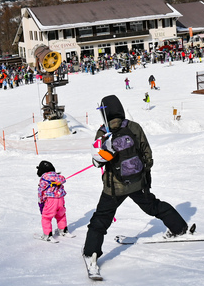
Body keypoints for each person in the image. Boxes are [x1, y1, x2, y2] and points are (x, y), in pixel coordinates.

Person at [83, 95, 189, 272]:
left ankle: (91, 252)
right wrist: (144, 175)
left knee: (101, 218)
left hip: (114, 188)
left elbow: (97, 161)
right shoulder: (133, 127)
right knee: (153, 205)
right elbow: (147, 153)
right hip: (137, 182)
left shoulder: (103, 133)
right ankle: (179, 227)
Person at [36, 160, 72, 241]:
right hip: (61, 200)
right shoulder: (58, 177)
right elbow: (63, 179)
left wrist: (40, 201)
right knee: (61, 215)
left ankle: (47, 235)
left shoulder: (44, 178)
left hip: (51, 200)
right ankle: (63, 230)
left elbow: (41, 190)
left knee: (46, 217)